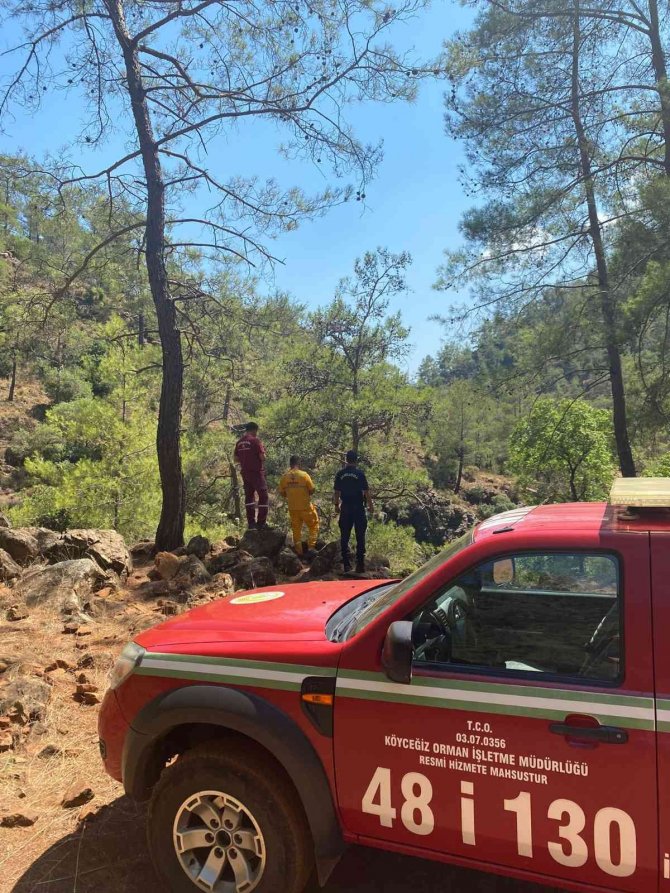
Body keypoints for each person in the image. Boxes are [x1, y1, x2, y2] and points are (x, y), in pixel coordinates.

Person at [334, 450, 373, 573]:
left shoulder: (340, 474)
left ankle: (346, 564)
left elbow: (336, 492)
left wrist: (336, 505)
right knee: (360, 536)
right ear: (356, 460)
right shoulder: (360, 474)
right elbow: (366, 492)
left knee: (344, 536)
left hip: (345, 507)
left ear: (346, 459)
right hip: (358, 508)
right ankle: (360, 565)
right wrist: (371, 506)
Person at [278, 456, 319, 558]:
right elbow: (312, 489)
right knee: (314, 525)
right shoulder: (304, 475)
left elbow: (282, 493)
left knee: (296, 530)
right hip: (305, 507)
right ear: (298, 463)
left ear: (290, 464)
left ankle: (299, 552)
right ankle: (311, 548)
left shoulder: (284, 477)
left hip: (293, 508)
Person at [233, 422, 268, 529]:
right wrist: (263, 456)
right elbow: (262, 457)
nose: (256, 434)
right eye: (256, 431)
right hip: (256, 473)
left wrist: (245, 460)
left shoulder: (239, 442)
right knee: (263, 495)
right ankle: (261, 523)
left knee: (249, 497)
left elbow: (235, 459)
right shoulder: (255, 441)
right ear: (254, 430)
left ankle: (251, 523)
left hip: (245, 474)